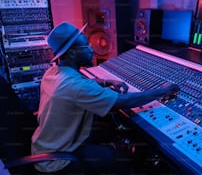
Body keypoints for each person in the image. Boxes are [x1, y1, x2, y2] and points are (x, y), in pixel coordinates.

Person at [31, 21, 179, 174]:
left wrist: (104, 81)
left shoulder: (53, 72)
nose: (92, 50)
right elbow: (125, 101)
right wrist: (162, 91)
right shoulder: (76, 87)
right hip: (58, 163)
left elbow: (81, 82)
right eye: (86, 46)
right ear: (73, 53)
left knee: (108, 129)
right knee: (123, 159)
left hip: (44, 149)